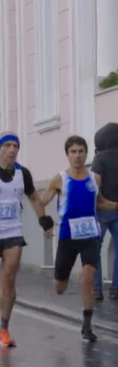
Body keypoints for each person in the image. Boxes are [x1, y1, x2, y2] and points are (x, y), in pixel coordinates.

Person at [0, 132, 51, 347]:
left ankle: (4, 329)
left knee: (9, 279)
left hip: (13, 231)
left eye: (15, 145)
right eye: (7, 145)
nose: (12, 149)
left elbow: (33, 197)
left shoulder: (22, 173)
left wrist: (44, 220)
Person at [36, 135, 118, 342]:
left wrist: (116, 206)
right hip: (67, 237)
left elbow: (99, 202)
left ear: (86, 154)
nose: (77, 156)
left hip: (90, 234)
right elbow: (42, 201)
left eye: (81, 151)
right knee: (60, 287)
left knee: (88, 276)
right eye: (73, 152)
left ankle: (87, 326)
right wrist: (41, 214)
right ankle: (59, 280)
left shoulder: (94, 179)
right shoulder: (59, 179)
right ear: (67, 154)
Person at [92, 123, 118, 300]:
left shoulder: (100, 157)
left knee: (94, 249)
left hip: (102, 210)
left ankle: (97, 288)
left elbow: (95, 183)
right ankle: (116, 288)